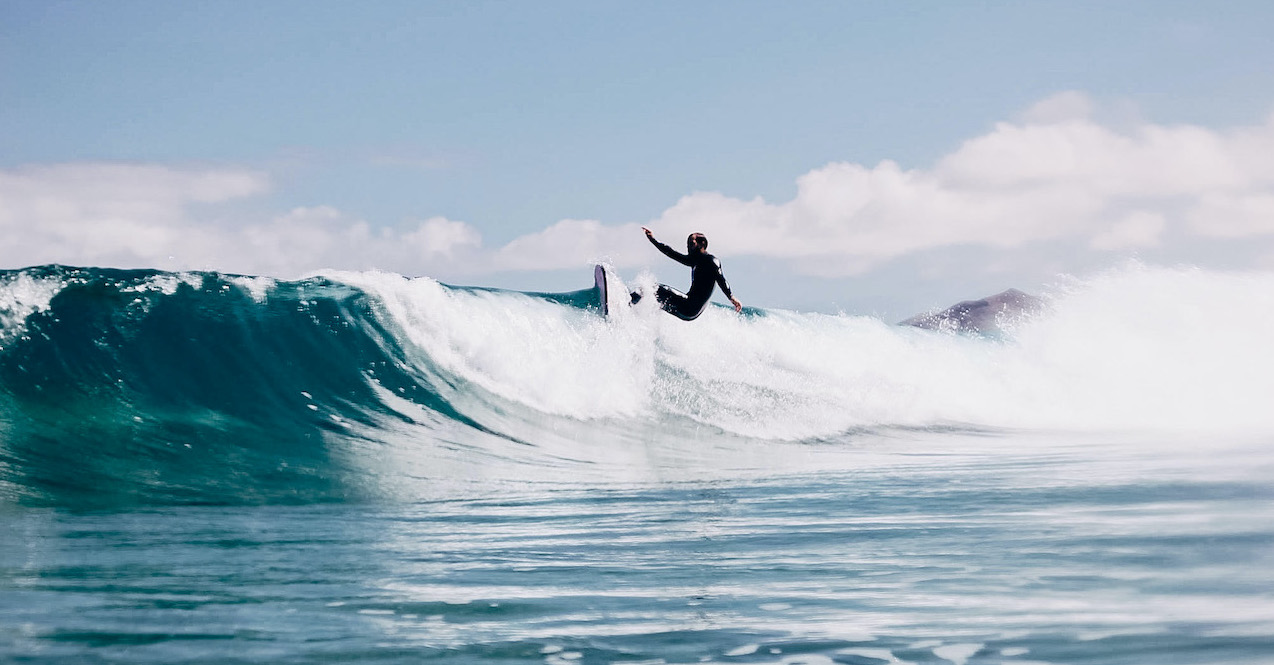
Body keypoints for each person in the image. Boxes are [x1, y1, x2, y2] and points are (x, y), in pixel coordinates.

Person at [631, 226, 742, 320]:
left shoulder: (711, 261)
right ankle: (631, 316)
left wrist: (731, 297)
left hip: (689, 306)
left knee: (653, 288)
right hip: (690, 312)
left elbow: (721, 279)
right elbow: (671, 252)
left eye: (691, 243)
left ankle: (626, 304)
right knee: (653, 298)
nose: (688, 246)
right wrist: (653, 240)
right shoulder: (694, 261)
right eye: (687, 243)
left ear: (701, 244)